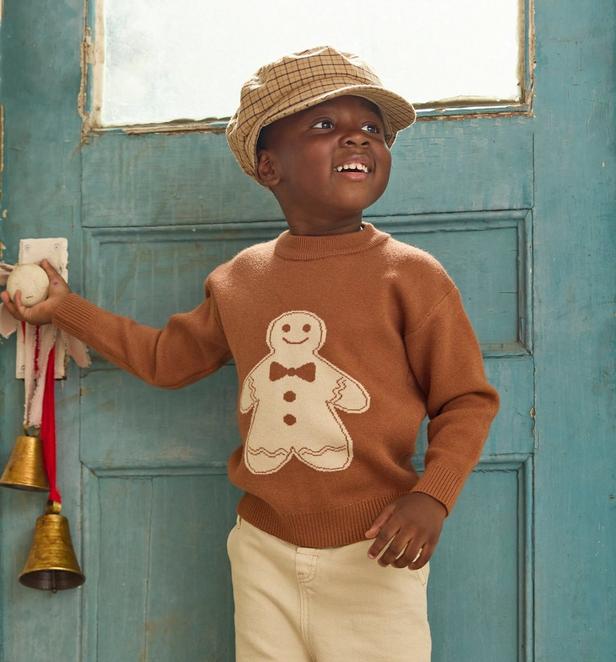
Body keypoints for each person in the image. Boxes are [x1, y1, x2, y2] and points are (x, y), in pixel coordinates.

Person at [1, 45, 500, 661]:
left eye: (372, 128)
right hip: (263, 549)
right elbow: (166, 360)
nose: (357, 140)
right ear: (269, 166)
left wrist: (432, 496)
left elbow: (466, 398)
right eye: (325, 125)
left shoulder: (412, 276)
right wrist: (64, 310)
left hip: (377, 550)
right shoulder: (240, 279)